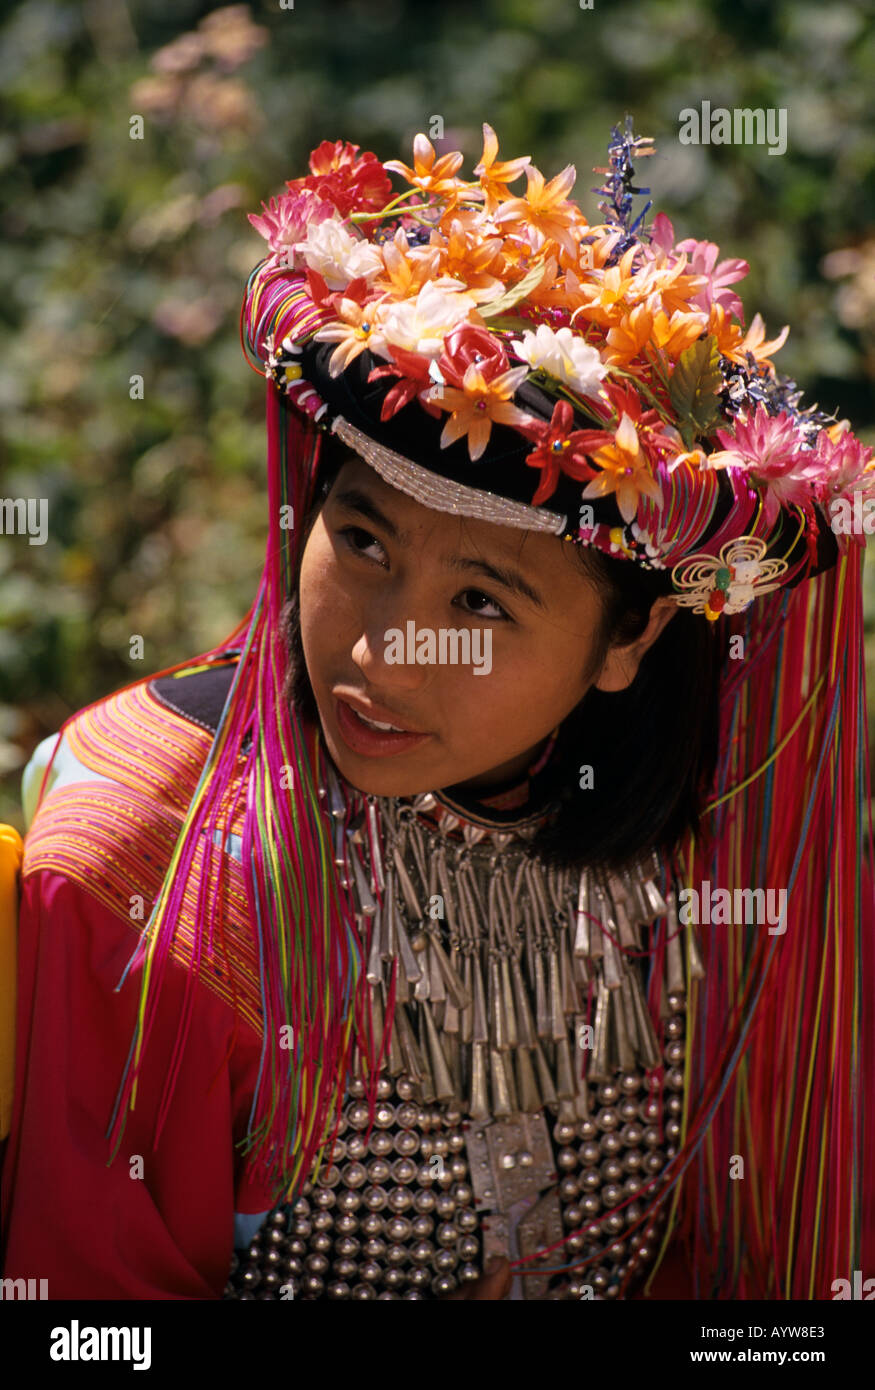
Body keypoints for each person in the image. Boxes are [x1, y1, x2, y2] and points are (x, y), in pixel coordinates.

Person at [2, 119, 872, 1300]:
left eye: (482, 600)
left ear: (632, 637)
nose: (382, 651)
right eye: (359, 540)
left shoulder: (708, 811)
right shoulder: (144, 871)